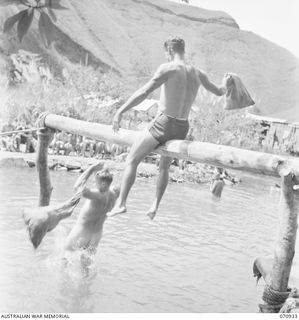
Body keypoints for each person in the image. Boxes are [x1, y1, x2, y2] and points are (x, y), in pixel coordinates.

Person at [108, 37, 227, 220]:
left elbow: (143, 92)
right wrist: (227, 84)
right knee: (163, 167)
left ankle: (122, 203)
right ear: (183, 50)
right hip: (182, 126)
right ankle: (155, 205)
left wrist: (120, 111)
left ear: (169, 51)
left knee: (132, 159)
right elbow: (219, 91)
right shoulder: (198, 73)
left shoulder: (168, 68)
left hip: (164, 123)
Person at [64, 162, 120, 254]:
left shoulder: (97, 194)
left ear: (99, 180)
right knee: (86, 266)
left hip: (81, 233)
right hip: (96, 235)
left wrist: (91, 169)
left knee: (64, 256)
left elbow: (77, 187)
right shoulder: (115, 194)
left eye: (95, 178)